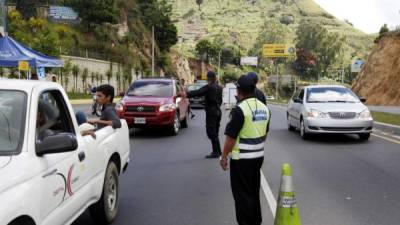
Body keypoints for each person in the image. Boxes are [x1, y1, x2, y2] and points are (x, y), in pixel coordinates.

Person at [220, 75, 271, 225]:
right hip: (258, 158)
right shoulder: (264, 108)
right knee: (254, 191)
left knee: (242, 195)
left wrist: (223, 157)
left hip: (241, 160)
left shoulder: (239, 110)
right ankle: (256, 221)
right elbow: (265, 135)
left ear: (239, 91)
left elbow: (230, 138)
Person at [187, 71, 223, 158]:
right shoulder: (219, 87)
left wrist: (186, 94)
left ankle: (215, 152)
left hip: (211, 113)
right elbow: (220, 100)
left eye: (207, 78)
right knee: (215, 132)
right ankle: (218, 151)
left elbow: (198, 92)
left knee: (211, 132)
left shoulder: (209, 87)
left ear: (209, 78)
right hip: (218, 112)